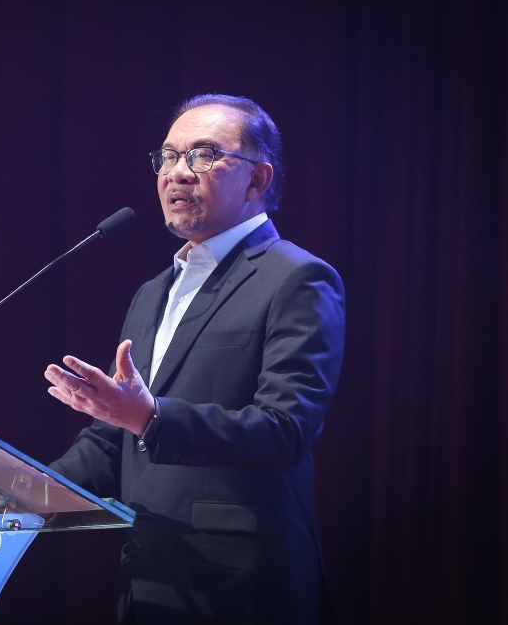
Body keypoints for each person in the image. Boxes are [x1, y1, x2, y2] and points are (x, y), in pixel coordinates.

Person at [45, 94, 345, 624]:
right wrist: (19, 493)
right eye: (167, 156)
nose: (177, 173)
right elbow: (117, 438)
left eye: (203, 156)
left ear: (257, 180)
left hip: (242, 585)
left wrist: (149, 417)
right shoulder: (153, 292)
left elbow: (285, 429)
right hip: (151, 578)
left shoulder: (296, 278)